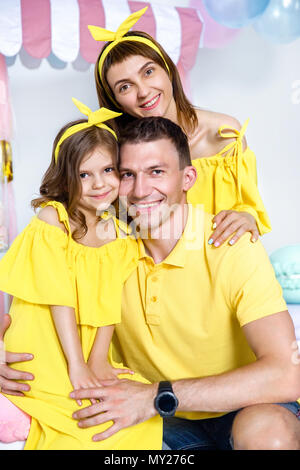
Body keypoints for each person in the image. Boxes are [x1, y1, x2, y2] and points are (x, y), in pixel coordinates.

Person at [66, 116, 300, 450]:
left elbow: (286, 375)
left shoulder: (232, 244)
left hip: (245, 407)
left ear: (187, 177)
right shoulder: (102, 247)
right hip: (161, 423)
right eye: (128, 175)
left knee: (269, 434)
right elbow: (43, 303)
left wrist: (155, 396)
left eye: (156, 172)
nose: (141, 190)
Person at [0, 100, 162, 450]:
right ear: (67, 178)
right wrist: (77, 365)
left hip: (85, 346)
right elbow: (58, 297)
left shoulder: (120, 236)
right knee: (79, 424)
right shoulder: (52, 220)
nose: (98, 184)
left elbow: (108, 305)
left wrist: (98, 359)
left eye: (108, 171)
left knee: (135, 420)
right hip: (45, 342)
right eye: (84, 175)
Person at [89, 6, 271, 249]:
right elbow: (103, 223)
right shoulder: (117, 155)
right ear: (114, 102)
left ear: (169, 70)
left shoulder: (223, 135)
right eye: (125, 87)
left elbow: (246, 206)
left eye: (149, 72)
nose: (143, 92)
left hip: (214, 268)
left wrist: (247, 217)